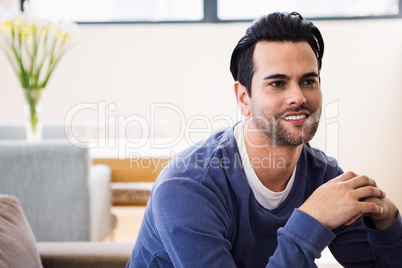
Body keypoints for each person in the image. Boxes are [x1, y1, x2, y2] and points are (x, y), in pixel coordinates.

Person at [126, 12, 402, 267]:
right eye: (277, 83)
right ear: (244, 98)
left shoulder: (322, 175)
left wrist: (388, 224)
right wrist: (311, 222)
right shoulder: (187, 187)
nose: (299, 97)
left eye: (308, 81)